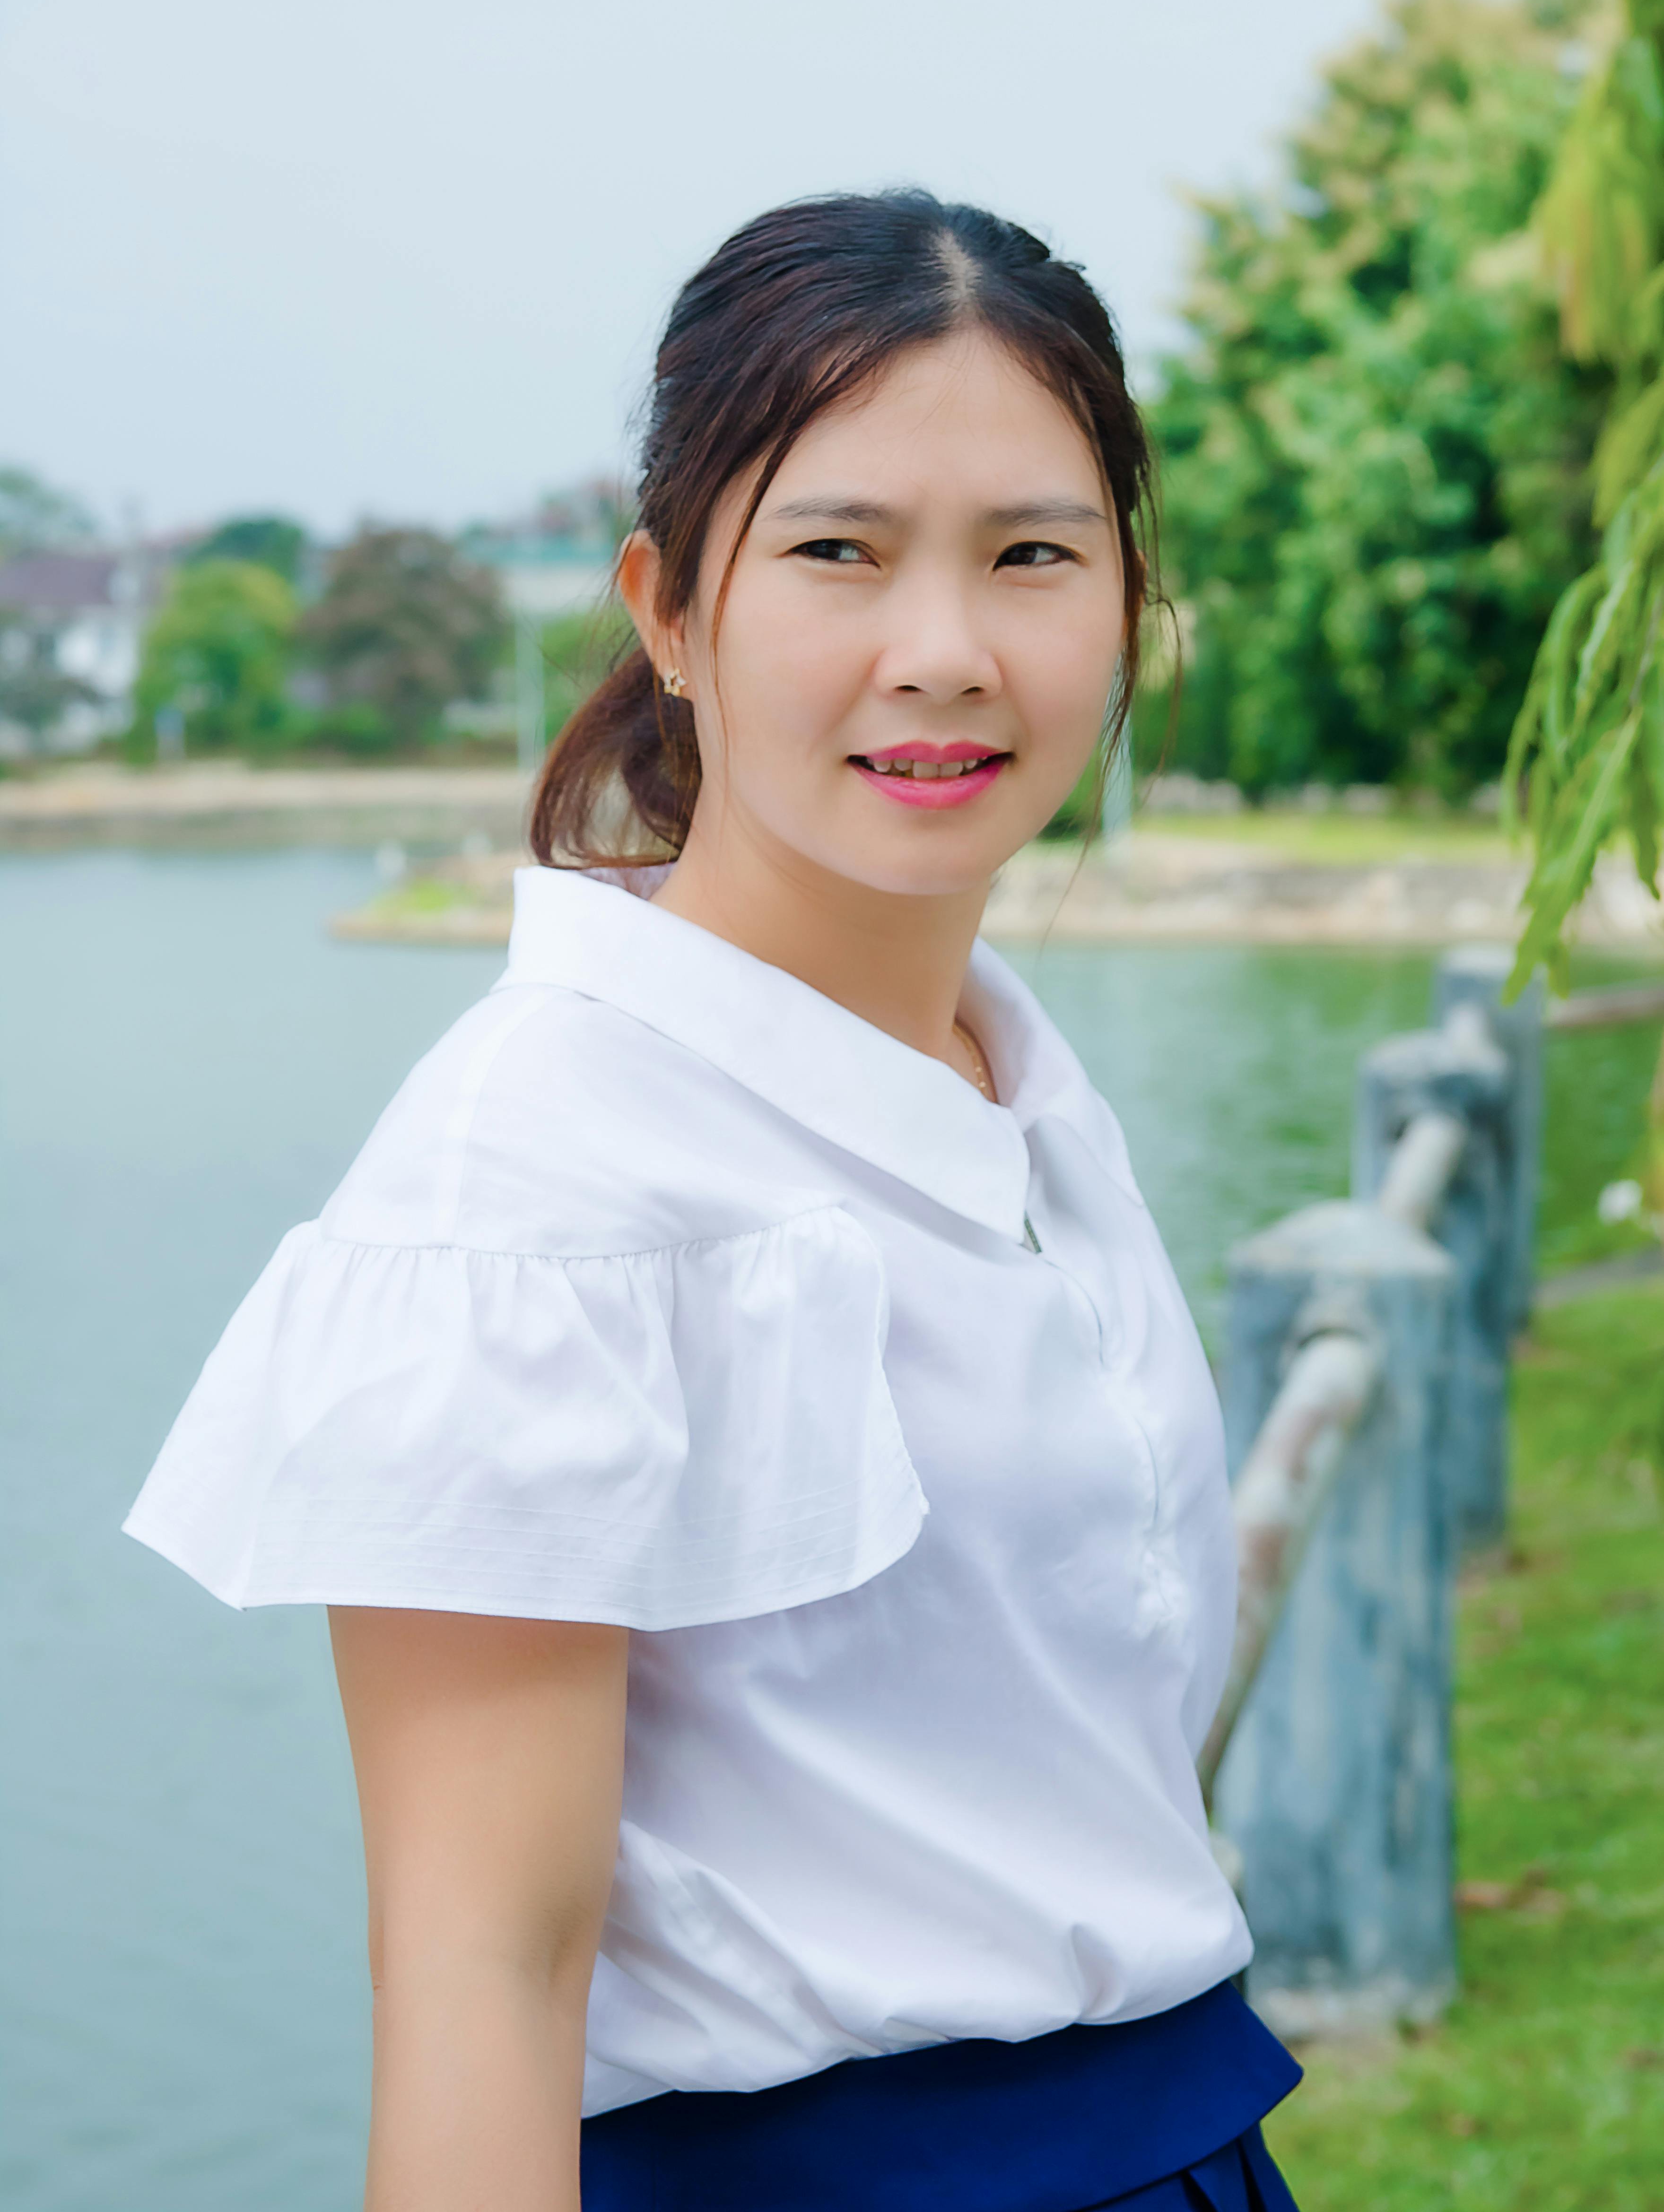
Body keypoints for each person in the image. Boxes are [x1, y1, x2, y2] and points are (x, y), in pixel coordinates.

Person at [124, 192, 1304, 2212]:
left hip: (1185, 2154)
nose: (943, 652)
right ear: (670, 611)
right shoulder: (536, 1181)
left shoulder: (1016, 1086)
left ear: (1130, 608)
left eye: (1034, 555)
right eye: (838, 553)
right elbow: (486, 1980)